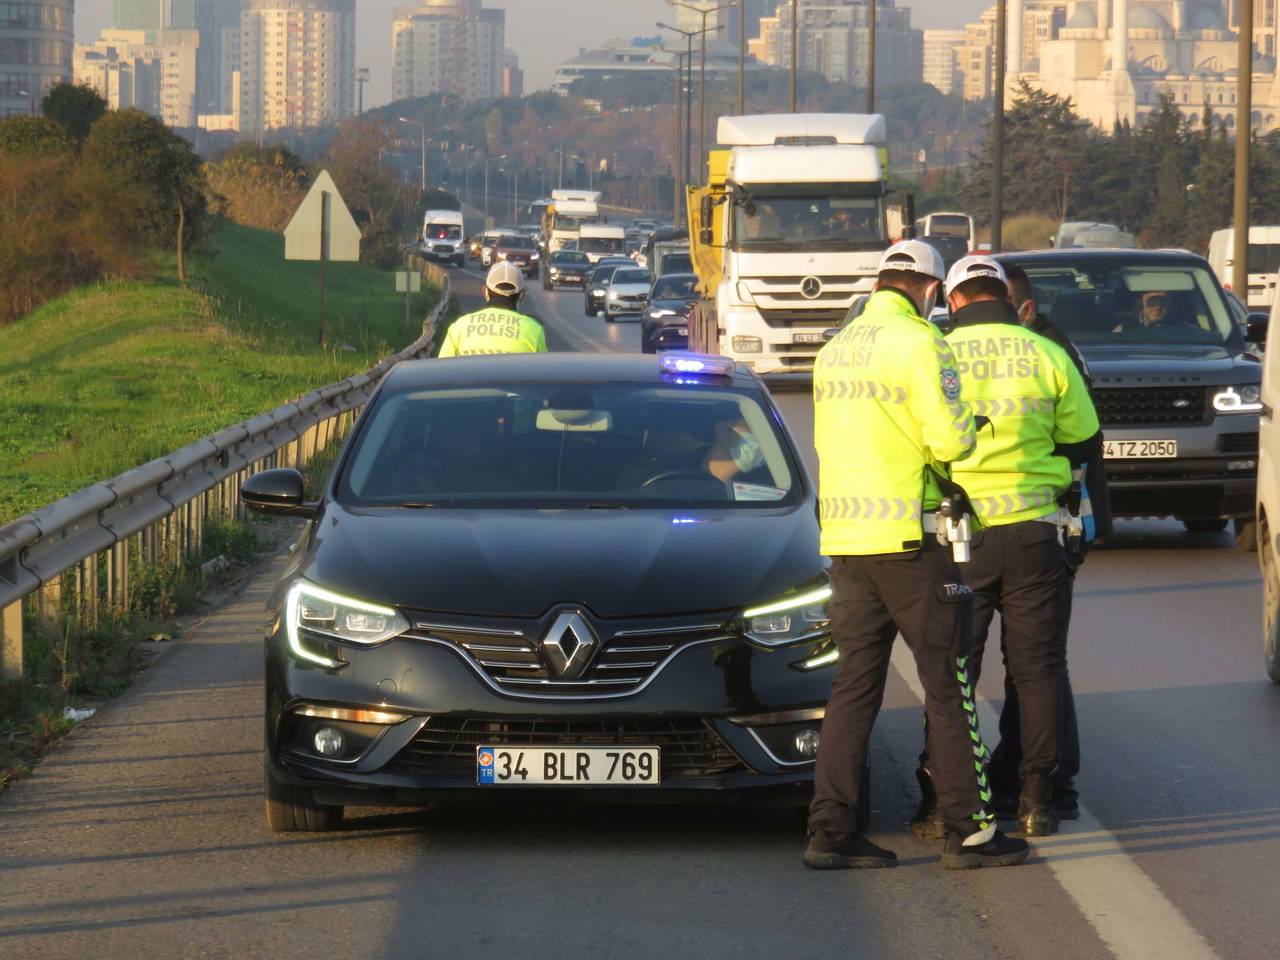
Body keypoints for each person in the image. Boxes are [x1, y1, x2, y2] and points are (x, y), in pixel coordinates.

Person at [805, 239, 1029, 871]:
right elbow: (948, 436)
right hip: (912, 540)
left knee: (852, 690)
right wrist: (973, 422)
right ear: (930, 290)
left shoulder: (835, 348)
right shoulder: (921, 343)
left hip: (848, 545)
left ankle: (830, 831)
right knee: (949, 686)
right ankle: (971, 830)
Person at [911, 256, 1101, 840]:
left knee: (954, 674)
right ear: (1007, 299)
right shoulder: (1046, 353)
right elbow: (1085, 440)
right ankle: (1039, 799)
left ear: (957, 300)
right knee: (1037, 668)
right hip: (1035, 532)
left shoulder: (936, 353)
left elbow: (917, 439)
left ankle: (951, 801)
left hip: (960, 536)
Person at [438, 261, 548, 357]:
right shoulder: (534, 330)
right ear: (522, 296)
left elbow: (442, 370)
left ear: (485, 292)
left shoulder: (459, 327)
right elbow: (543, 374)